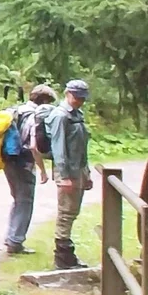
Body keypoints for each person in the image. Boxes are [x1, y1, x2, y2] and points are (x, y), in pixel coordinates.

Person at [2, 84, 57, 256]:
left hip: (8, 160)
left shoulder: (16, 111)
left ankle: (11, 237)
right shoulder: (35, 116)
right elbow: (33, 146)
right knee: (25, 201)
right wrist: (42, 170)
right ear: (45, 100)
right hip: (23, 163)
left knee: (18, 199)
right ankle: (15, 242)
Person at [48, 79, 92, 269]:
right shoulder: (60, 116)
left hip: (78, 170)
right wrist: (64, 176)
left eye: (82, 98)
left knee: (72, 211)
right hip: (66, 172)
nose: (79, 101)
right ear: (67, 94)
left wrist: (86, 173)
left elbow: (81, 148)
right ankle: (63, 256)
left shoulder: (77, 115)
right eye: (76, 97)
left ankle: (66, 254)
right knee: (66, 212)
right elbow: (58, 148)